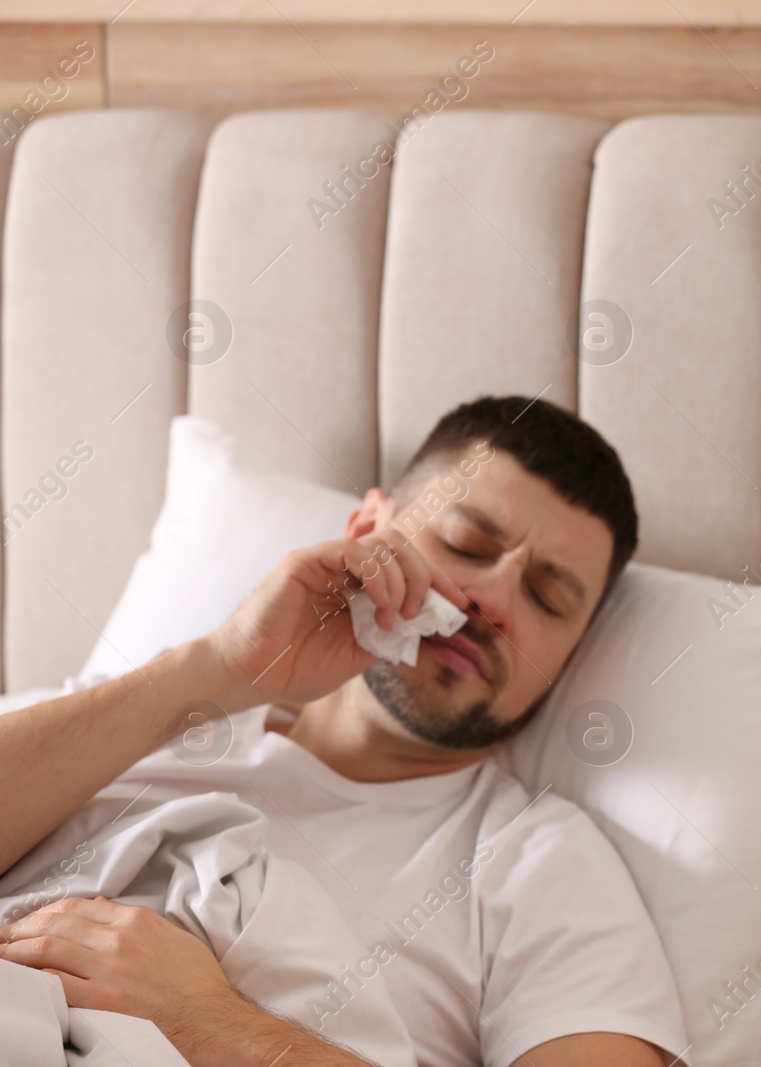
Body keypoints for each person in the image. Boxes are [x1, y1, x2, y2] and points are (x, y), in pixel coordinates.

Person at [0, 397, 687, 1067]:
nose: (495, 601)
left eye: (548, 598)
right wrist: (221, 667)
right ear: (366, 530)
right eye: (466, 543)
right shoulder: (142, 711)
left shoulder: (542, 864)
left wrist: (207, 1022)